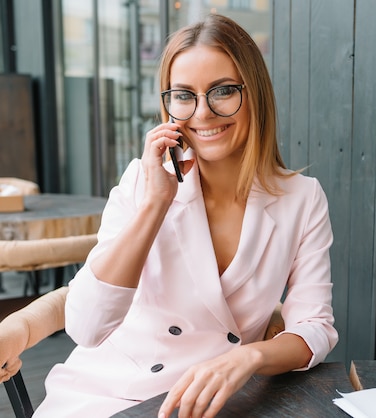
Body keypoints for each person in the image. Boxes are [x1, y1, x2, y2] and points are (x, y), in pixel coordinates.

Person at [5, 14, 338, 418]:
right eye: (184, 95)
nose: (202, 113)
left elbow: (314, 326)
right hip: (108, 396)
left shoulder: (302, 199)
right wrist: (154, 203)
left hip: (216, 399)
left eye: (223, 91)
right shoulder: (141, 182)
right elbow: (87, 327)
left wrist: (249, 358)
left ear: (256, 95)